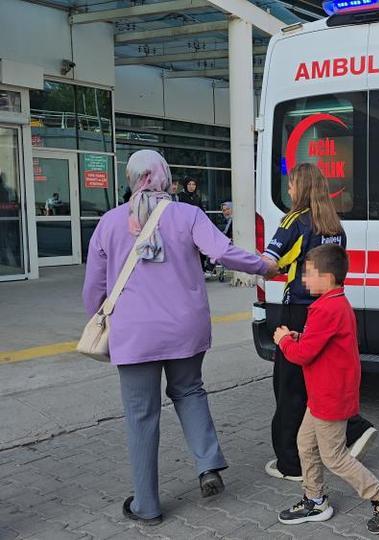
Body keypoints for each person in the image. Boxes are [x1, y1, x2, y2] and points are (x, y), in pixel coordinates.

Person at [81, 150, 275, 526]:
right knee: (189, 391)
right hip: (185, 329)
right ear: (166, 177)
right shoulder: (188, 215)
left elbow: (94, 288)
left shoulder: (108, 222)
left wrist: (100, 316)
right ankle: (207, 466)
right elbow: (222, 252)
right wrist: (262, 264)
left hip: (134, 335)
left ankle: (147, 506)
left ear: (131, 178)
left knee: (141, 415)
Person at [274, 244, 379, 534]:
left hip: (330, 397)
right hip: (323, 395)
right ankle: (315, 499)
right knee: (305, 444)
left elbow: (302, 355)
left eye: (309, 274)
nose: (304, 280)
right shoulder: (333, 303)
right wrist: (300, 336)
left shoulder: (327, 308)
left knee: (334, 457)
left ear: (328, 277)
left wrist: (285, 341)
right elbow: (317, 343)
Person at [261, 163, 378, 483]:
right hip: (328, 308)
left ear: (302, 187)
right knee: (319, 380)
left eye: (291, 185)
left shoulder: (294, 221)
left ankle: (291, 463)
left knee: (288, 387)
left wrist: (248, 264)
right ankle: (355, 428)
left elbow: (270, 263)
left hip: (298, 311)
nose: (288, 191)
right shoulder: (335, 225)